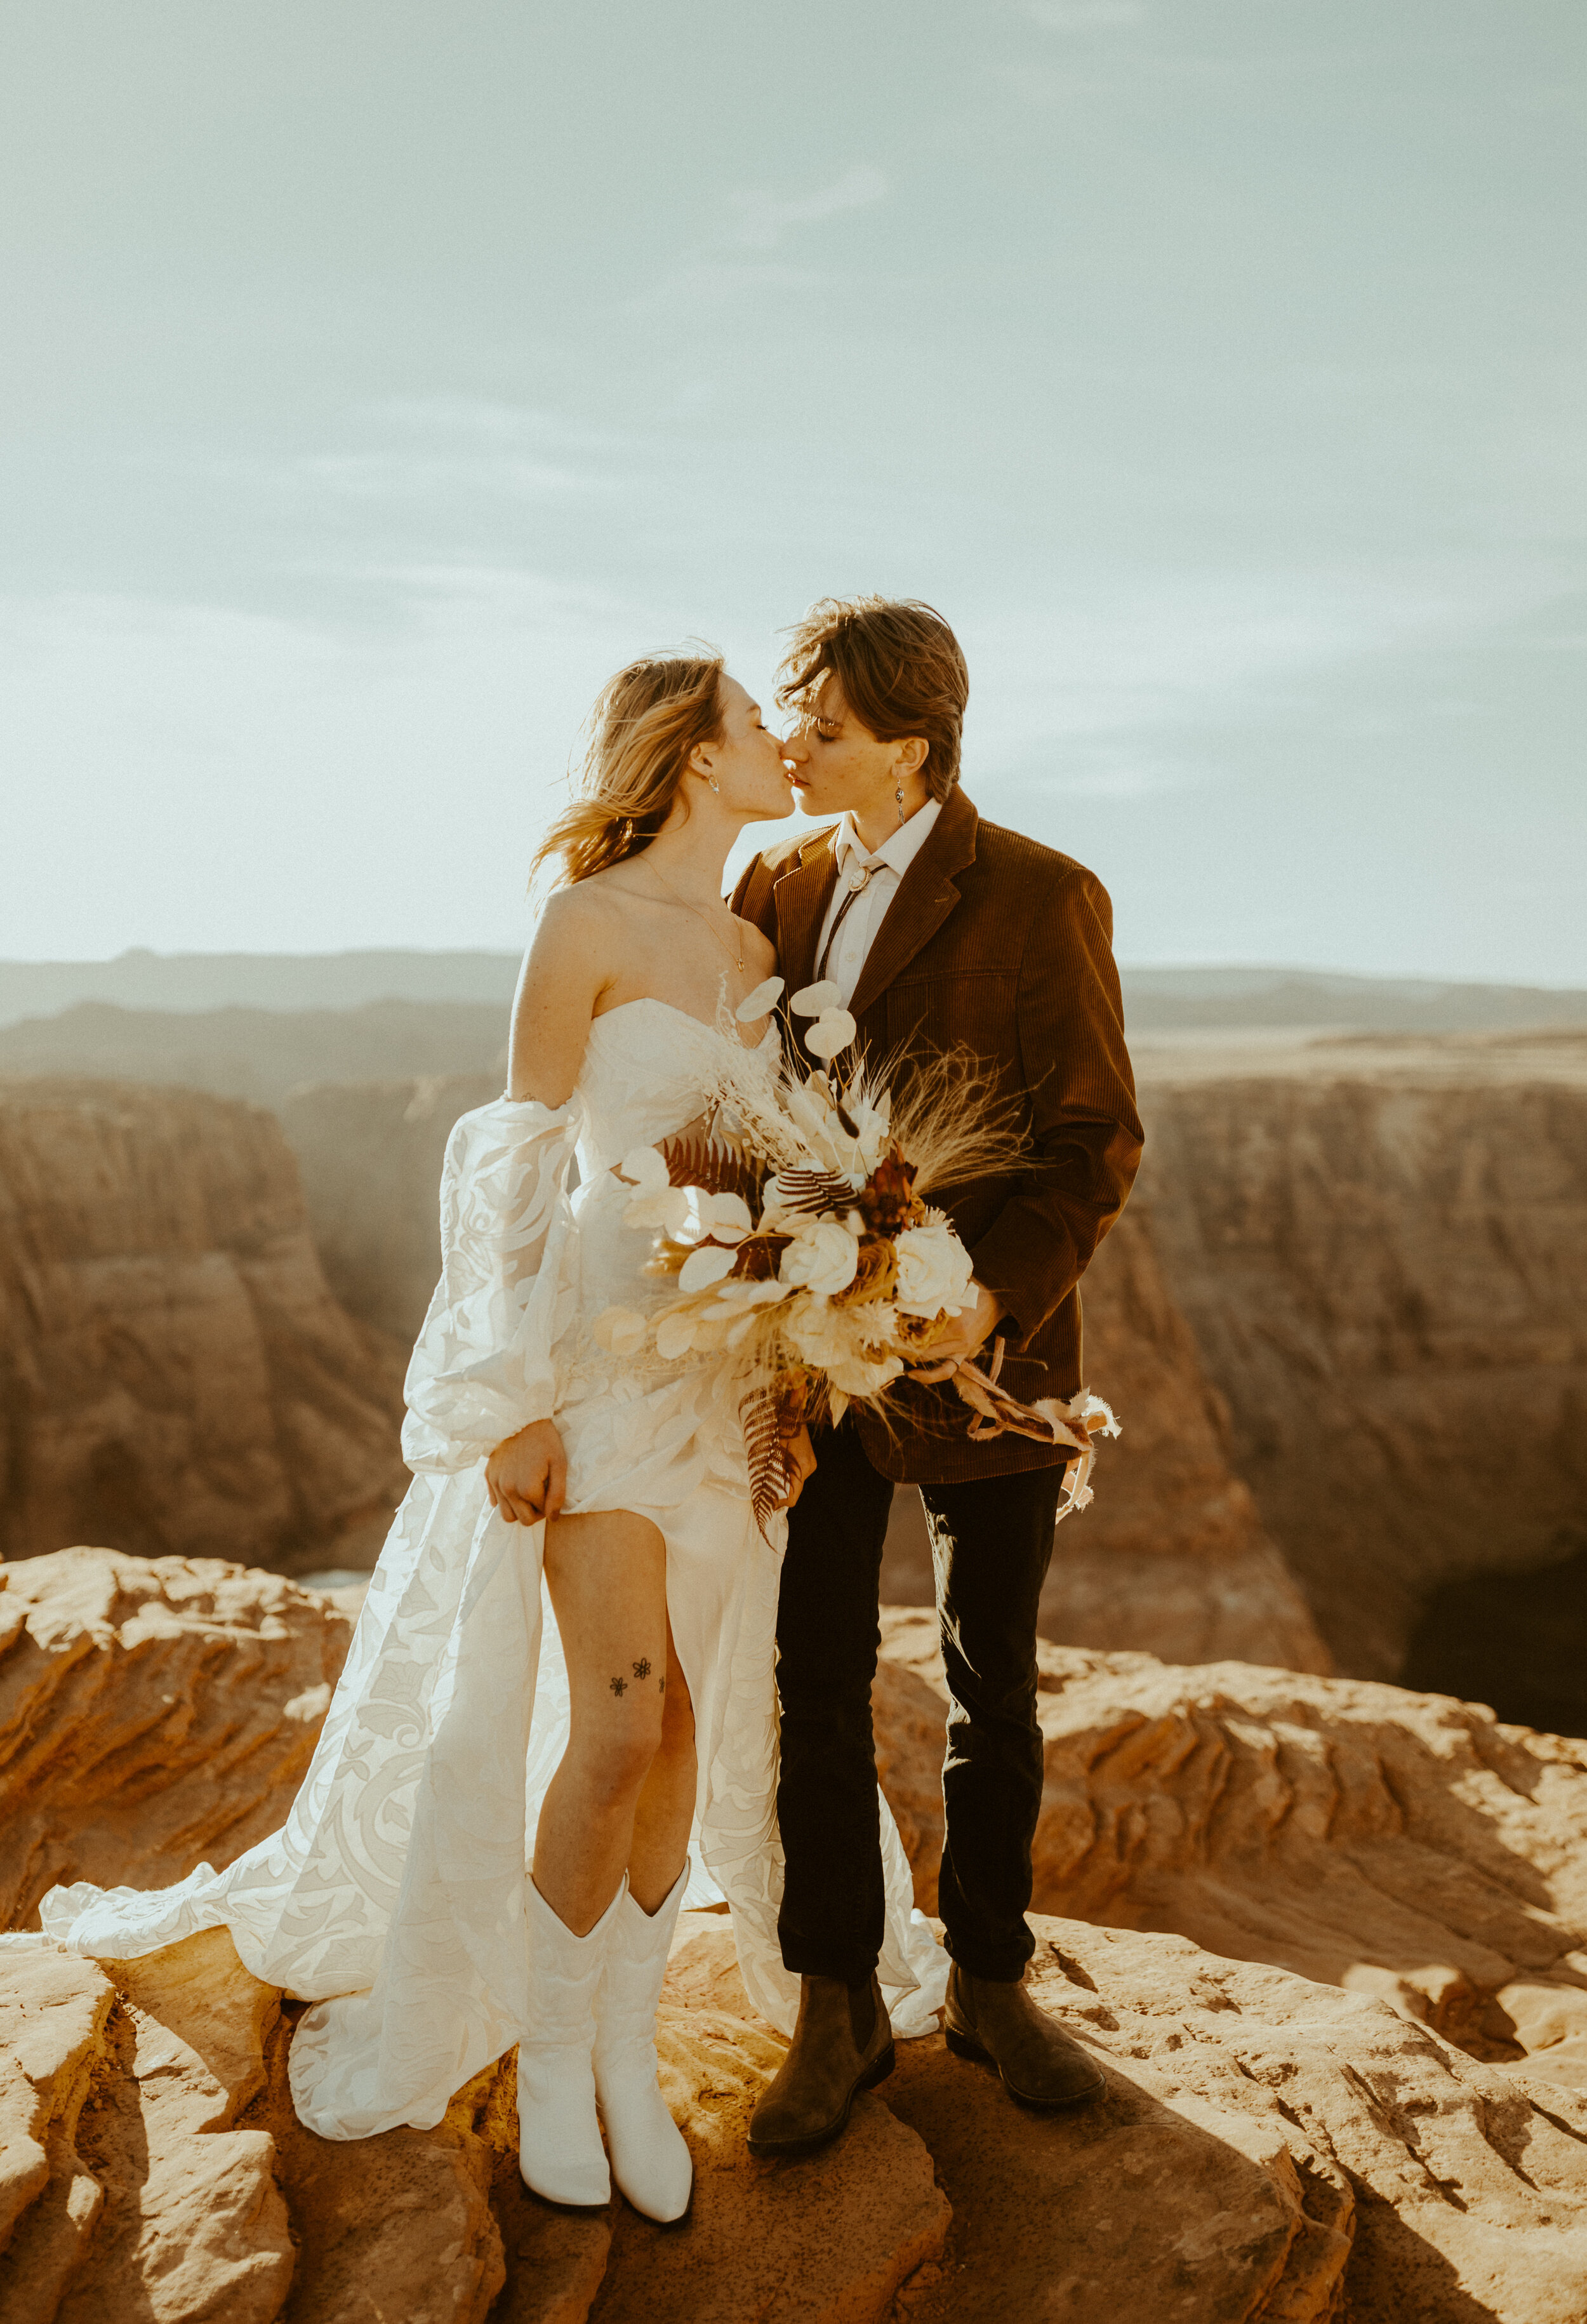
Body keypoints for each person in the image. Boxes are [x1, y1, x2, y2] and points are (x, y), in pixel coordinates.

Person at [38, 650, 947, 2224]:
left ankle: (621, 2070)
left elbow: (784, 1165)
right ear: (687, 757)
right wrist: (509, 1403)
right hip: (594, 1372)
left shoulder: (750, 945)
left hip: (726, 1388)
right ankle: (540, 2071)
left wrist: (809, 1340)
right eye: (753, 728)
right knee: (612, 1718)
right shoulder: (580, 926)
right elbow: (514, 1171)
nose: (779, 750)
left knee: (678, 1729)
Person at [729, 596, 1145, 2154]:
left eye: (821, 725)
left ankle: (986, 1977)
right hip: (805, 1361)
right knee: (811, 1678)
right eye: (790, 717)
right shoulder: (768, 883)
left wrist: (977, 1307)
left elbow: (1090, 1142)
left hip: (986, 1364)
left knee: (990, 1688)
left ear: (909, 743)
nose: (793, 745)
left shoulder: (1040, 895)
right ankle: (834, 2001)